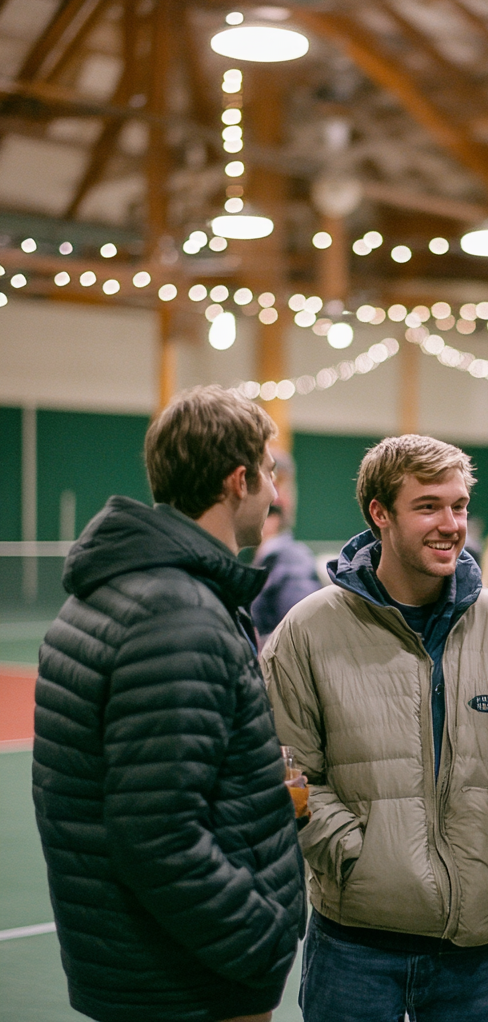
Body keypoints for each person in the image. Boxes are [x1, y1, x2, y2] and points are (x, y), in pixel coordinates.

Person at [260, 434, 488, 1022]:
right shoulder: (309, 630)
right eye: (428, 506)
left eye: (459, 506)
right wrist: (355, 855)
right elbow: (289, 768)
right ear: (380, 514)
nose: (451, 524)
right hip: (356, 946)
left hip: (474, 948)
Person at [33, 385, 306, 1022]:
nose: (276, 493)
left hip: (146, 964)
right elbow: (156, 832)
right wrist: (260, 941)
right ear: (239, 480)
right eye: (269, 474)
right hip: (187, 979)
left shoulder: (125, 590)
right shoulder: (178, 617)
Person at [251, 449, 322, 644]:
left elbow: (303, 640)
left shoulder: (292, 561)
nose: (277, 498)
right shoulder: (261, 560)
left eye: (283, 486)